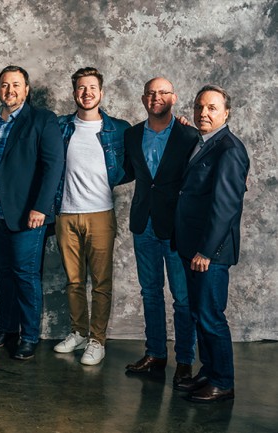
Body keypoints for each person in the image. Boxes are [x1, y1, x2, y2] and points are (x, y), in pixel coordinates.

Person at [0, 66, 64, 360]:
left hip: (27, 214)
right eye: (4, 85)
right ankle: (7, 329)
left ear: (27, 89)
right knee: (4, 275)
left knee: (25, 275)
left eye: (16, 85)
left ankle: (28, 336)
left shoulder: (42, 120)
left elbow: (53, 167)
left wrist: (40, 207)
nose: (9, 90)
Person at [122, 77, 200, 385]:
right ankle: (155, 353)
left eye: (163, 92)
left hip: (177, 228)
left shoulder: (189, 136)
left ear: (174, 97)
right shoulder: (131, 135)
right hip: (143, 224)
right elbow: (126, 172)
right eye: (151, 93)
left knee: (182, 298)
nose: (157, 97)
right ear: (143, 99)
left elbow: (209, 171)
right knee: (150, 293)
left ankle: (184, 360)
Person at [174, 85, 249, 403]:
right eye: (199, 107)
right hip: (193, 248)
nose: (203, 113)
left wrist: (207, 251)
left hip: (210, 252)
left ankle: (223, 381)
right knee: (198, 312)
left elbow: (225, 207)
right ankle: (208, 372)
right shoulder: (204, 142)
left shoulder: (229, 149)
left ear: (226, 112)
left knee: (210, 315)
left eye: (212, 108)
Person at [53, 67, 130, 365]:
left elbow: (140, 155)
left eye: (92, 88)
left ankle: (98, 340)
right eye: (81, 88)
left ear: (101, 92)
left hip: (100, 215)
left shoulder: (119, 129)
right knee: (73, 281)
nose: (87, 93)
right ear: (74, 92)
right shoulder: (61, 126)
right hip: (66, 214)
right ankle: (79, 332)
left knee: (100, 282)